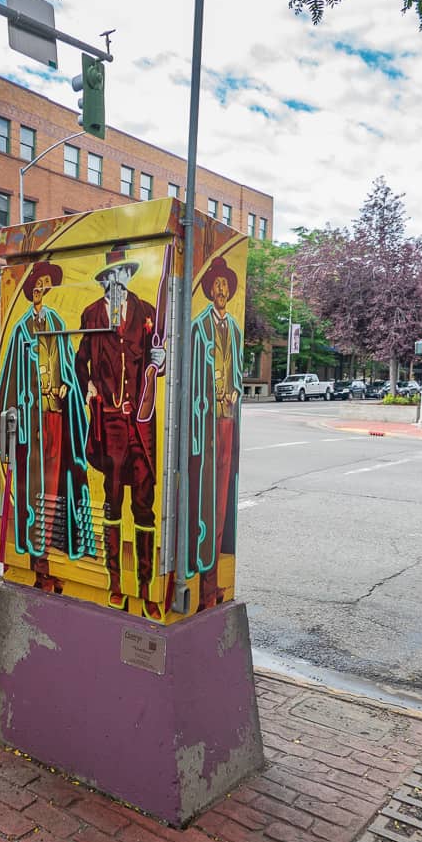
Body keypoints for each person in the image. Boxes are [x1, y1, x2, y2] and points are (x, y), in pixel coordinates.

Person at [75, 245, 165, 619]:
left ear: (128, 276)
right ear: (103, 282)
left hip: (141, 423)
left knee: (144, 502)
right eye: (108, 277)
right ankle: (114, 582)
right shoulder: (92, 314)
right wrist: (88, 389)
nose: (115, 282)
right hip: (110, 422)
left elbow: (157, 356)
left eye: (120, 275)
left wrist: (160, 363)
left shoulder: (148, 313)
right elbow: (80, 361)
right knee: (112, 500)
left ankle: (146, 585)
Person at [1, 259, 94, 590]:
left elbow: (67, 365)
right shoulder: (20, 330)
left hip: (56, 417)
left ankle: (53, 556)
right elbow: (11, 382)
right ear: (31, 291)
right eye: (36, 284)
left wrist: (66, 384)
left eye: (45, 284)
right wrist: (8, 438)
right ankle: (39, 563)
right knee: (34, 490)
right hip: (32, 423)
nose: (41, 289)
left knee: (55, 488)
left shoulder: (56, 321)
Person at [188, 255, 243, 610]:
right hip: (204, 426)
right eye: (217, 286)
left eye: (225, 286)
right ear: (210, 291)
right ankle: (205, 585)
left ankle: (212, 584)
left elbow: (236, 371)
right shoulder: (198, 327)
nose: (221, 291)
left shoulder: (234, 329)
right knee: (204, 505)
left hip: (227, 424)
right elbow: (192, 381)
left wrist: (235, 390)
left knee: (221, 503)